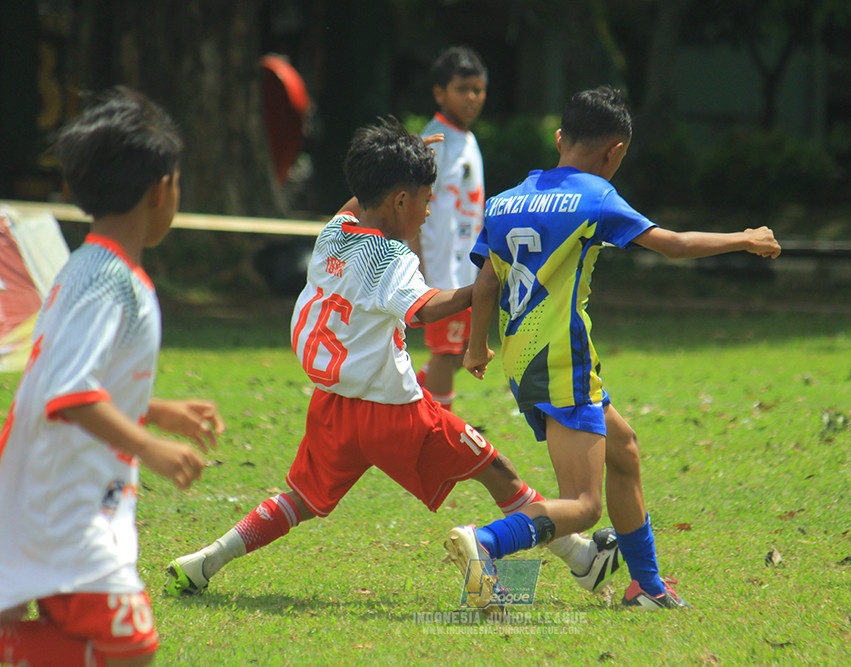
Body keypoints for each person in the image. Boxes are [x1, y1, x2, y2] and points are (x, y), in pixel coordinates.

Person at [166, 117, 619, 608]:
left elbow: (358, 201)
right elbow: (425, 308)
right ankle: (566, 558)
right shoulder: (390, 257)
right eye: (427, 197)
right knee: (495, 469)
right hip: (395, 412)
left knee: (299, 499)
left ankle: (207, 560)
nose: (429, 210)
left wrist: (393, 163)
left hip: (335, 405)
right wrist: (485, 287)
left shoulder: (335, 233)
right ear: (401, 200)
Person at [450, 86, 782, 610]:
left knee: (623, 451)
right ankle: (485, 544)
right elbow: (671, 244)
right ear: (615, 151)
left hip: (523, 358)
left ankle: (646, 587)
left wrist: (474, 350)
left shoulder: (504, 200)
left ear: (560, 138)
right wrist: (744, 237)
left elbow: (486, 283)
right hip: (562, 360)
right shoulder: (594, 196)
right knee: (582, 506)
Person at [0, 86, 224, 667]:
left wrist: (157, 408)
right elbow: (69, 392)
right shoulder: (109, 281)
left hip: (46, 492)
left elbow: (79, 379)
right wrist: (152, 446)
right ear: (161, 189)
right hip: (62, 504)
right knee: (131, 645)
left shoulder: (89, 266)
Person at [410, 46, 488, 411]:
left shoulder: (468, 140)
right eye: (462, 89)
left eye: (478, 89)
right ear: (440, 93)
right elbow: (413, 206)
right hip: (442, 271)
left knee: (457, 353)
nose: (472, 97)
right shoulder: (435, 142)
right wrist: (418, 261)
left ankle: (413, 404)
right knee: (445, 353)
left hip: (466, 269)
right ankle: (437, 430)